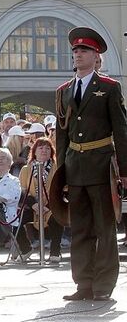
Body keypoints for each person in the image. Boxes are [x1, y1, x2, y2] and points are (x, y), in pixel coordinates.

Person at [55, 27, 127, 302]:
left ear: (95, 56)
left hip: (101, 166)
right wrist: (60, 174)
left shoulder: (109, 88)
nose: (78, 55)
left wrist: (125, 170)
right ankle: (83, 283)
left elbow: (121, 130)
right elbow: (61, 135)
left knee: (104, 228)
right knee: (80, 228)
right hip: (75, 167)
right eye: (75, 51)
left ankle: (103, 285)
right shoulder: (64, 91)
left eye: (83, 51)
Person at [16, 137, 61, 263]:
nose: (44, 151)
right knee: (15, 221)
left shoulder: (56, 168)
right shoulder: (26, 169)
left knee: (56, 219)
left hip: (51, 206)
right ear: (34, 151)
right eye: (40, 148)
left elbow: (61, 190)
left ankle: (55, 251)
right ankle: (26, 249)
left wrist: (49, 207)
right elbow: (22, 190)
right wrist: (33, 204)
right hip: (32, 206)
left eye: (47, 148)